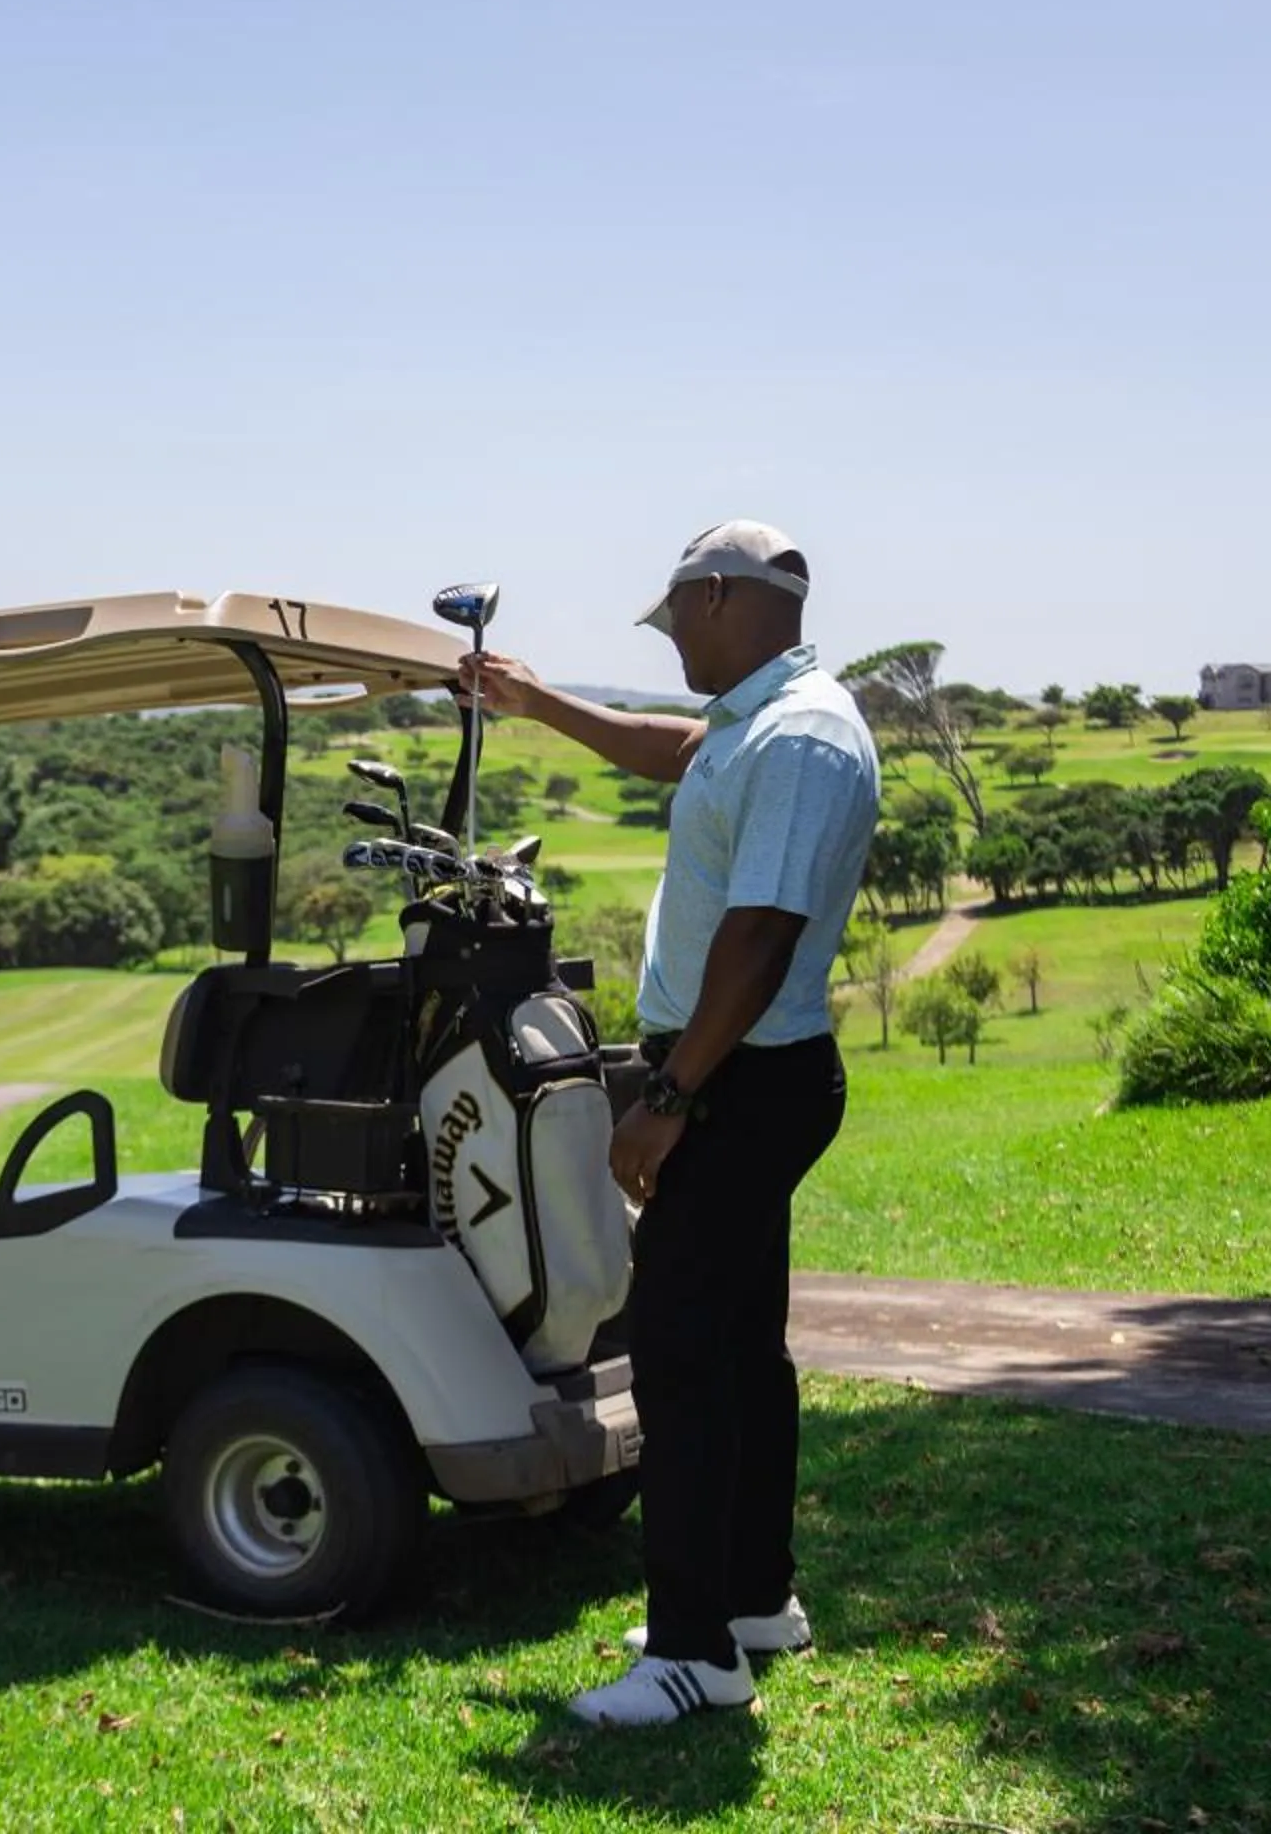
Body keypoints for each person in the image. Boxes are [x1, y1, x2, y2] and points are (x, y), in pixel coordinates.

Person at [462, 520, 878, 1730]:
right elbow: (679, 747)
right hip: (750, 1077)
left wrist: (670, 1095)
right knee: (745, 1349)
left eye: (674, 619)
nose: (673, 643)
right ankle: (754, 1599)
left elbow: (761, 935)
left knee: (687, 1364)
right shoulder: (764, 720)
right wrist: (541, 700)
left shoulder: (798, 737)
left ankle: (695, 1652)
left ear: (716, 598)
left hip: (738, 1080)